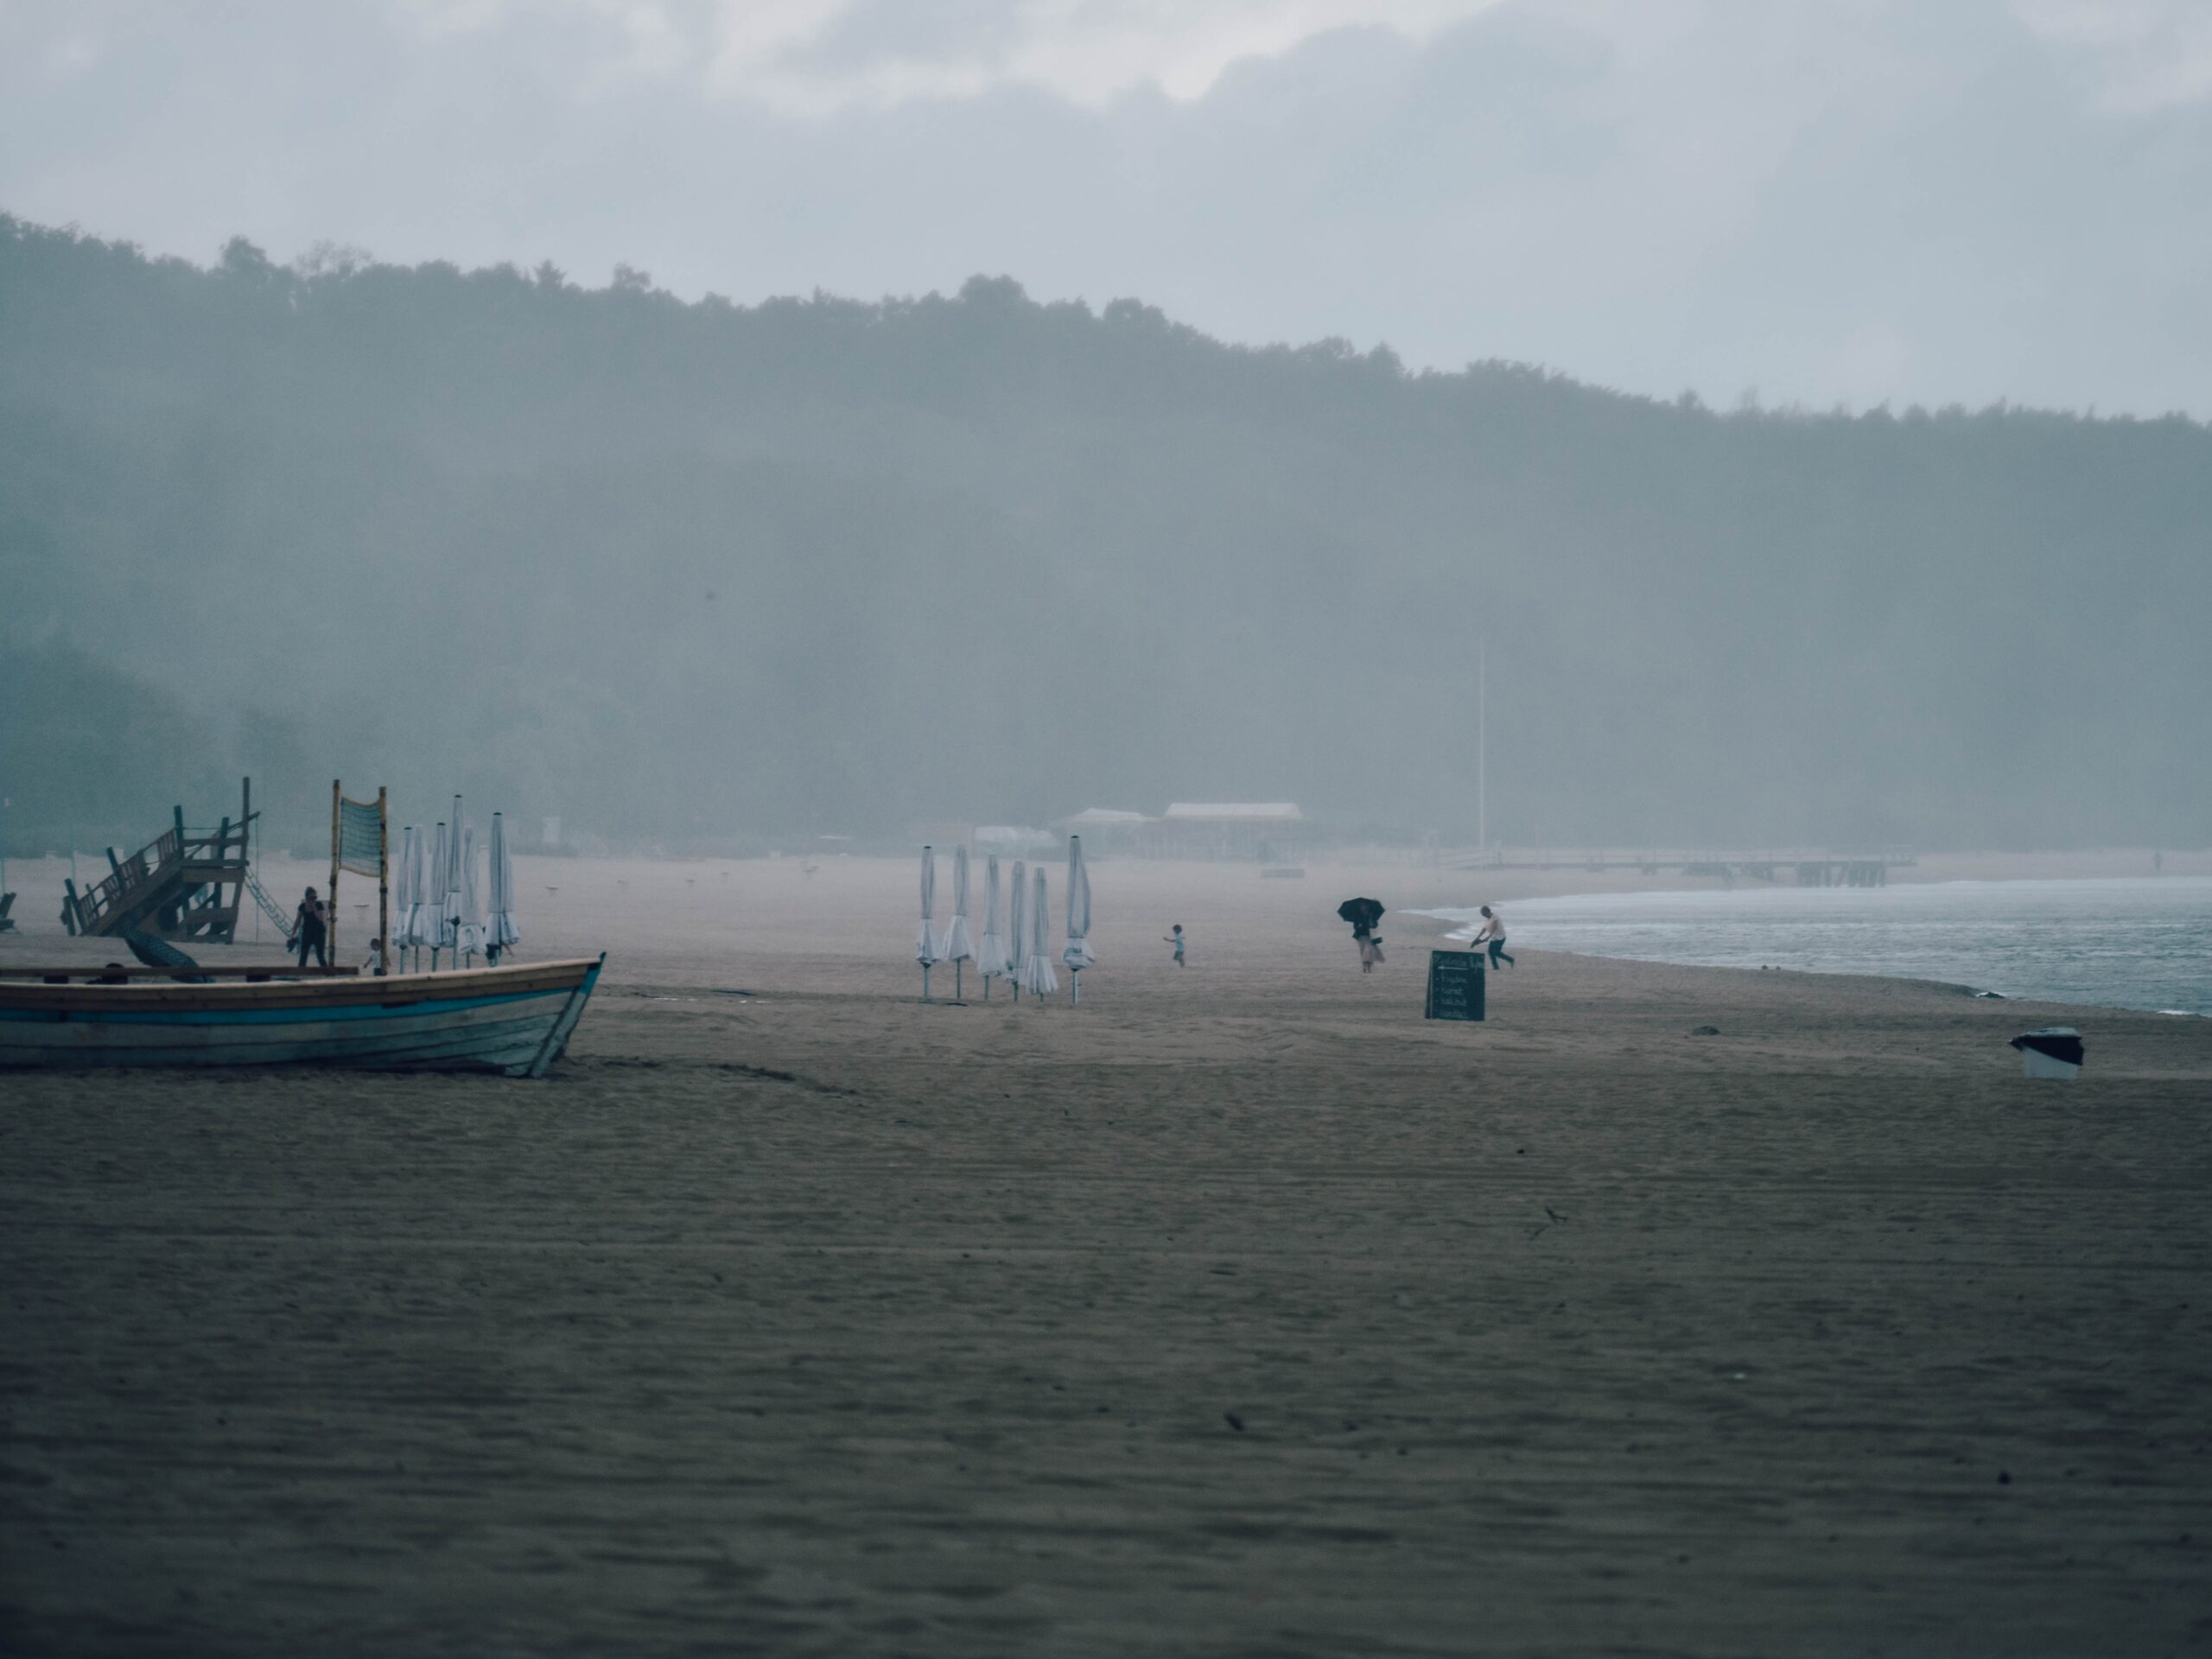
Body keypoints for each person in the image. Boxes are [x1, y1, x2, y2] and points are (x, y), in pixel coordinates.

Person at [293, 886, 329, 969]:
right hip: (307, 932)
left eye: (315, 897)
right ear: (307, 898)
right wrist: (293, 933)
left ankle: (327, 973)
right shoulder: (302, 906)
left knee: (320, 956)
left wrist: (314, 907)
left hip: (318, 932)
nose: (314, 900)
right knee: (303, 955)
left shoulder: (319, 905)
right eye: (312, 898)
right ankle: (301, 972)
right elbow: (298, 920)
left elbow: (320, 918)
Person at [1471, 905, 1514, 969]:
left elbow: (1495, 928)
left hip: (1500, 937)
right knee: (1491, 952)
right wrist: (1477, 938)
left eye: (1483, 913)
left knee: (1496, 953)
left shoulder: (1495, 917)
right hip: (1494, 938)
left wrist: (1487, 938)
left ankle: (1510, 960)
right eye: (1482, 914)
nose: (1483, 915)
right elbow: (1484, 930)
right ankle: (1496, 967)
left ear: (1487, 911)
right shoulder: (1487, 920)